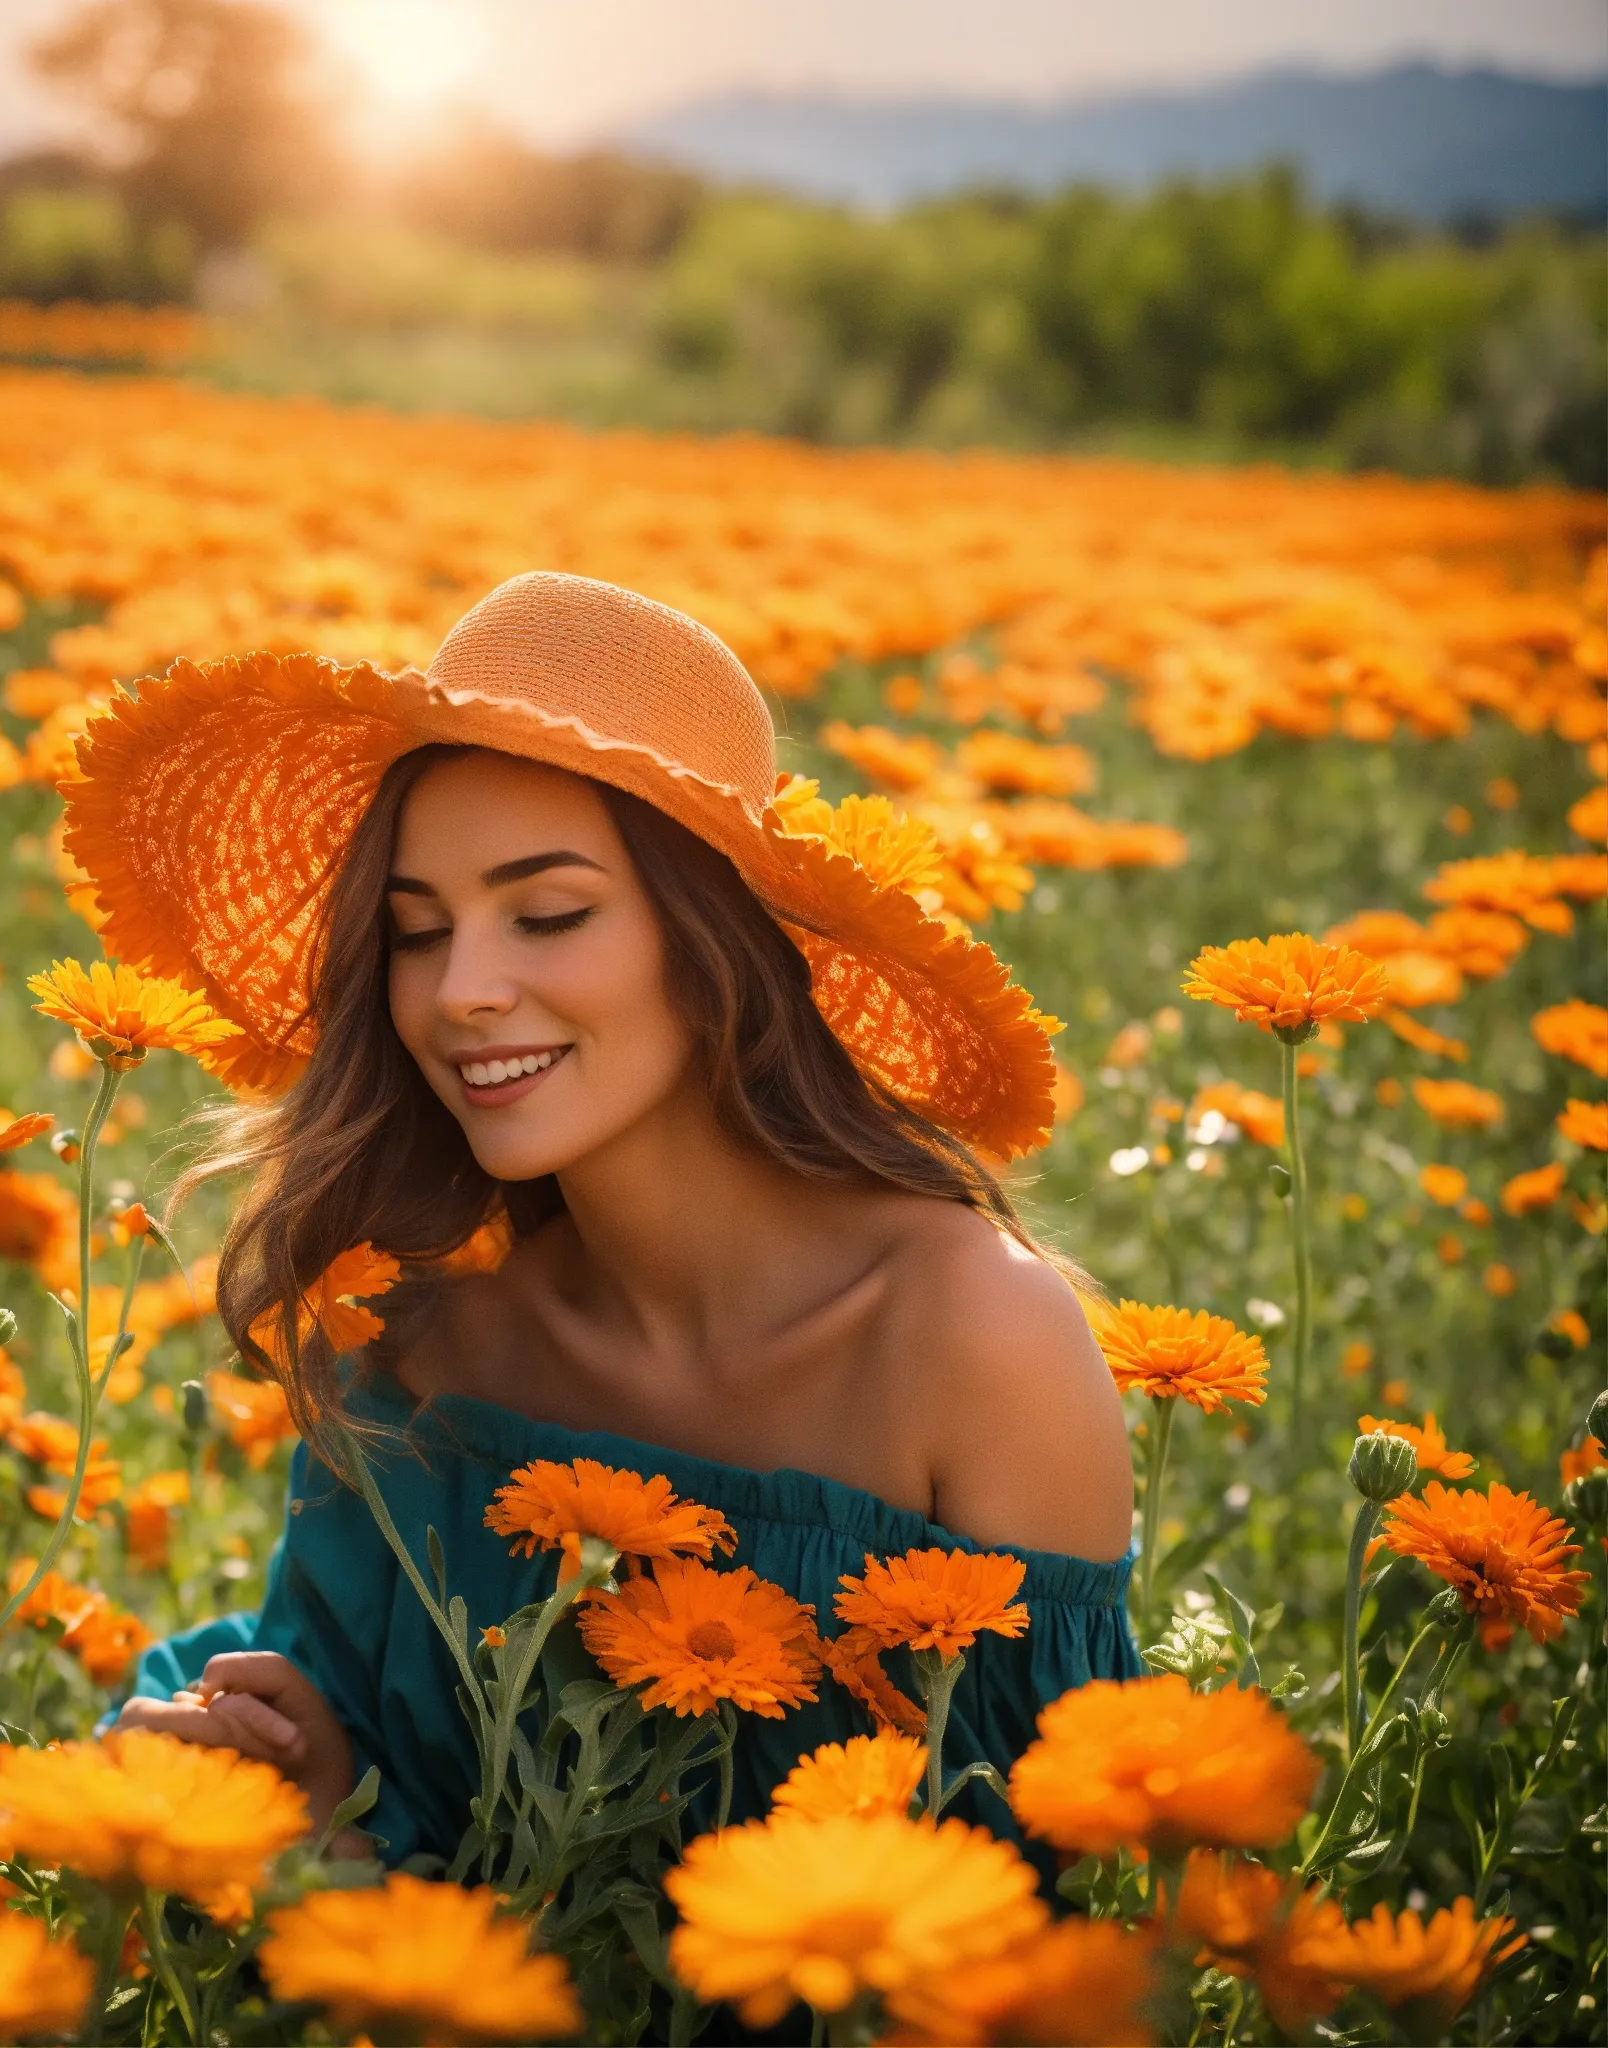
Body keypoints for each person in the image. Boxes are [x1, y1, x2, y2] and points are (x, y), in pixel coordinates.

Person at [66, 571, 1137, 1870]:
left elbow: (1056, 1885)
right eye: (416, 932)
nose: (460, 992)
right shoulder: (418, 1336)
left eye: (550, 914)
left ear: (717, 942)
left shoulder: (977, 1338)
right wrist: (328, 1780)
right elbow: (400, 1829)